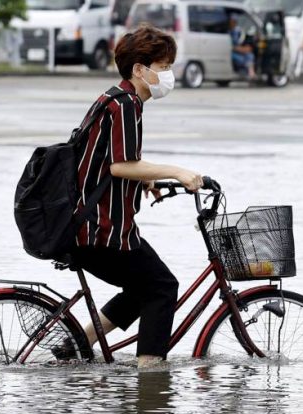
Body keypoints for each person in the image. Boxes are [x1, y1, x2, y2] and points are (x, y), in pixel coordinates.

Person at [62, 25, 204, 368]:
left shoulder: (114, 98)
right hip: (98, 229)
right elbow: (120, 166)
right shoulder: (125, 104)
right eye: (163, 67)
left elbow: (105, 161)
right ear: (139, 69)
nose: (168, 75)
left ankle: (77, 342)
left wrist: (145, 182)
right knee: (161, 287)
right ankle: (150, 375)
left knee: (145, 285)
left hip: (91, 224)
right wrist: (177, 172)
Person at [229, 15, 256, 80]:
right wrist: (240, 49)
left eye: (235, 21)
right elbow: (232, 46)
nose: (234, 22)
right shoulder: (228, 32)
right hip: (230, 51)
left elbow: (241, 41)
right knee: (241, 60)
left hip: (239, 49)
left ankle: (251, 72)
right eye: (232, 21)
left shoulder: (238, 30)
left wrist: (244, 48)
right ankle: (246, 72)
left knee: (250, 55)